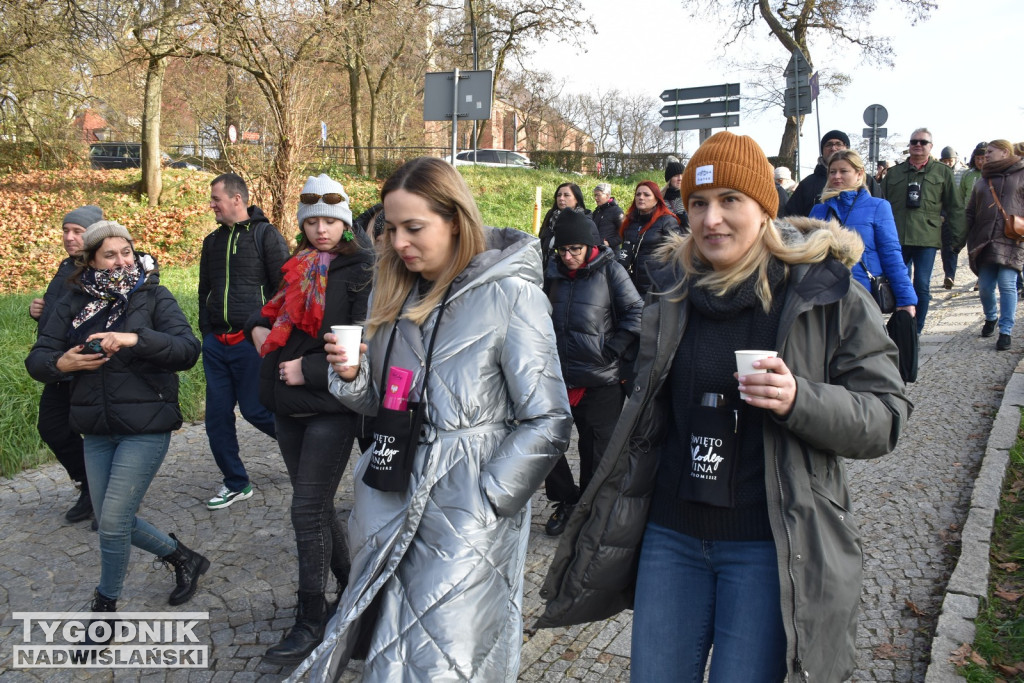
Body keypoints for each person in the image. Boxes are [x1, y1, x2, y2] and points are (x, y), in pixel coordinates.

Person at [537, 132, 911, 681]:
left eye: (730, 200)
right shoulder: (670, 292)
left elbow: (886, 417)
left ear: (765, 209)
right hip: (672, 536)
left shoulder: (824, 293)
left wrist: (799, 399)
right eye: (698, 203)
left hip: (769, 543)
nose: (711, 219)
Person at [293, 157, 572, 682]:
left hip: (467, 504)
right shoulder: (392, 292)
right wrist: (351, 375)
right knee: (388, 650)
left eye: (413, 227)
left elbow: (549, 417)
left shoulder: (511, 295)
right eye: (392, 228)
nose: (399, 242)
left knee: (446, 657)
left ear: (454, 220)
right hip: (391, 486)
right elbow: (376, 402)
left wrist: (490, 498)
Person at [25, 220, 209, 636]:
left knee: (110, 522)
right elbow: (39, 358)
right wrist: (61, 364)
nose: (121, 261)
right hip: (95, 427)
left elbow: (186, 350)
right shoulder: (72, 302)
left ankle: (104, 607)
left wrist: (134, 339)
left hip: (146, 424)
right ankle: (183, 558)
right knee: (115, 518)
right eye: (110, 255)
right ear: (90, 260)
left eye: (126, 252)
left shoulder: (153, 295)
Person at [245, 175, 373, 665]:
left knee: (306, 507)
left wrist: (309, 369)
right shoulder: (297, 265)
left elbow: (362, 344)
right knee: (313, 506)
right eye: (313, 221)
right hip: (287, 405)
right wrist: (257, 330)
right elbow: (268, 314)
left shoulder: (363, 268)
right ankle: (353, 587)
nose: (322, 229)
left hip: (330, 406)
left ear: (345, 222)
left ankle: (310, 618)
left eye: (331, 221)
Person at [541, 210, 643, 536]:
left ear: (589, 246)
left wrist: (613, 349)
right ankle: (566, 500)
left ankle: (589, 508)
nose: (568, 257)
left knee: (595, 451)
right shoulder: (553, 273)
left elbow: (636, 312)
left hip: (601, 381)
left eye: (575, 250)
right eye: (563, 250)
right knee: (547, 446)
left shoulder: (611, 271)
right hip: (558, 378)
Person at [199, 172, 290, 510]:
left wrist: (265, 332)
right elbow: (203, 290)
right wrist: (206, 333)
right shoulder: (212, 241)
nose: (212, 205)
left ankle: (304, 451)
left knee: (255, 411)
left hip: (251, 344)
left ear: (236, 199)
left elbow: (285, 289)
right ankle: (236, 482)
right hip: (216, 345)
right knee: (217, 417)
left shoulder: (266, 236)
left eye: (216, 199)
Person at [28, 205, 102, 524]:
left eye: (77, 231)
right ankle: (89, 486)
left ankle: (109, 501)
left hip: (88, 366)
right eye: (66, 230)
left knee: (99, 433)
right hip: (58, 366)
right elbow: (58, 314)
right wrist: (38, 312)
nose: (69, 237)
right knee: (53, 427)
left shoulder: (102, 268)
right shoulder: (64, 267)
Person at [810, 149, 918, 316]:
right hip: (825, 296)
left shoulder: (878, 207)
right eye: (832, 172)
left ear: (859, 174)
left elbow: (891, 254)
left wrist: (906, 299)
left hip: (864, 296)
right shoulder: (819, 211)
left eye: (843, 171)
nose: (836, 176)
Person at [882, 127, 966, 333]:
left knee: (921, 285)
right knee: (895, 284)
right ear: (909, 146)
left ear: (930, 147)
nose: (918, 145)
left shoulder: (942, 172)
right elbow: (880, 204)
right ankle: (898, 328)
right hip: (897, 237)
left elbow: (955, 207)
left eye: (923, 142)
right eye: (914, 142)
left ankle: (916, 331)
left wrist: (957, 240)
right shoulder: (894, 173)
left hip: (926, 238)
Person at [965, 140, 1024, 351]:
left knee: (1008, 284)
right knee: (986, 287)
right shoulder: (982, 180)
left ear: (1004, 152)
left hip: (1012, 238)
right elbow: (970, 211)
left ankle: (1005, 331)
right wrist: (959, 238)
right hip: (985, 241)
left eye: (991, 151)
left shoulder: (1022, 174)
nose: (986, 155)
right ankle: (991, 317)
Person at [783, 129, 881, 217]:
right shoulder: (808, 184)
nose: (833, 148)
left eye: (838, 144)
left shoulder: (866, 180)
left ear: (847, 148)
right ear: (822, 150)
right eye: (829, 145)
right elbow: (791, 218)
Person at [617, 180, 680, 298]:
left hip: (657, 289)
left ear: (656, 199)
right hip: (631, 287)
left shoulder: (667, 221)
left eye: (646, 195)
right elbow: (624, 253)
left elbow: (678, 255)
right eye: (638, 194)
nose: (641, 197)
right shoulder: (630, 223)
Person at [538, 182, 596, 266]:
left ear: (577, 199)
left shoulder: (585, 221)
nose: (561, 198)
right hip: (548, 269)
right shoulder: (550, 217)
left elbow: (593, 250)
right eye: (558, 195)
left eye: (566, 195)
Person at [591, 182, 624, 248]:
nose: (596, 198)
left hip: (611, 254)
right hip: (597, 251)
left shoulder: (617, 211)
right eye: (595, 195)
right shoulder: (597, 211)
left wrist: (609, 243)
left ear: (607, 195)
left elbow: (625, 233)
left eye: (598, 195)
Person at [662, 160, 689, 229]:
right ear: (669, 179)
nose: (680, 178)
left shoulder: (690, 197)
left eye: (682, 175)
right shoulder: (659, 199)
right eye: (676, 176)